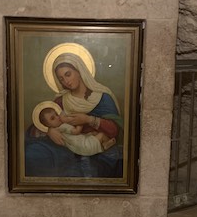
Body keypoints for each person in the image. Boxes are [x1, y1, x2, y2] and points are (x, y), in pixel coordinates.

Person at [25, 50, 123, 178]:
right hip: (67, 147)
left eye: (68, 74)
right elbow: (43, 120)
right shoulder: (61, 100)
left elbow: (115, 130)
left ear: (79, 70)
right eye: (61, 79)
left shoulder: (102, 97)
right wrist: (49, 130)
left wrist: (88, 119)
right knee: (32, 152)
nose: (66, 81)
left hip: (94, 150)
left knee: (82, 170)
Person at [38, 104, 116, 156]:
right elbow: (76, 131)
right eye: (53, 118)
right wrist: (81, 122)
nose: (58, 117)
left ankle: (103, 145)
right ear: (48, 125)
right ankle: (106, 144)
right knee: (101, 135)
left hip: (79, 148)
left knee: (94, 133)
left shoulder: (59, 128)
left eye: (56, 114)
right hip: (84, 145)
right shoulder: (63, 126)